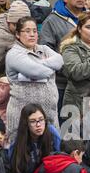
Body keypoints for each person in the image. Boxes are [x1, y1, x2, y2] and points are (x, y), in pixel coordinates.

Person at [5, 16, 63, 144]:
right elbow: (38, 72)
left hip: (49, 116)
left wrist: (41, 63)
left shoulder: (44, 49)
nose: (32, 34)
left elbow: (59, 61)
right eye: (27, 31)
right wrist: (50, 68)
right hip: (22, 116)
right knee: (23, 155)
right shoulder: (14, 54)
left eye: (35, 31)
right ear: (18, 35)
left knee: (51, 154)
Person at [39, 0, 87, 116]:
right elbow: (45, 53)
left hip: (87, 85)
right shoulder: (52, 21)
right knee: (65, 129)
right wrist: (70, 70)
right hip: (62, 86)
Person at [9, 103, 61, 173]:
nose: (38, 125)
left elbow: (60, 160)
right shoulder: (17, 144)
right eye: (33, 121)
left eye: (41, 120)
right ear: (26, 124)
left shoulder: (52, 133)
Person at [0, 0, 31, 77]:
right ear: (9, 22)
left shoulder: (28, 33)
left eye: (24, 26)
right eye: (15, 25)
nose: (19, 29)